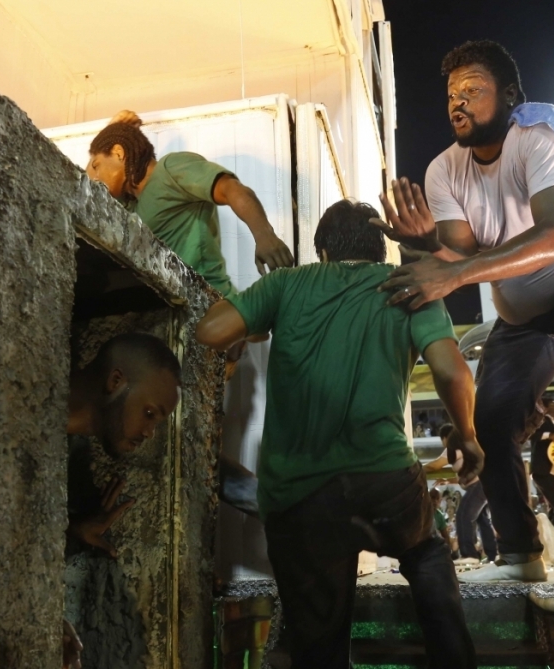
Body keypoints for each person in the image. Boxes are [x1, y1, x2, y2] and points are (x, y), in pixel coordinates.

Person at [372, 40, 554, 589]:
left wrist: (451, 271)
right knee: (489, 420)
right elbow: (459, 255)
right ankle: (520, 554)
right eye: (452, 93)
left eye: (474, 89)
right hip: (524, 311)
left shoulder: (539, 145)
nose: (459, 101)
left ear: (511, 96)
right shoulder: (443, 170)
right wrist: (423, 246)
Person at [196, 199, 483, 669]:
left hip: (299, 498)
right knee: (427, 554)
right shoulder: (407, 286)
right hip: (385, 481)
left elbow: (210, 330)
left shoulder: (285, 284)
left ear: (323, 252)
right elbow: (454, 373)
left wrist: (254, 324)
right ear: (380, 250)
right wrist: (467, 436)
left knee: (319, 644)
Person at [64, 332, 183, 667]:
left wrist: (74, 530)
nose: (149, 433)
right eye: (149, 413)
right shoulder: (30, 412)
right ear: (116, 381)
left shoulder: (72, 452)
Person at [86, 111, 294, 299]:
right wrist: (110, 129)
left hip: (206, 303)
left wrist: (265, 235)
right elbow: (84, 193)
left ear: (118, 153)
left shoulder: (170, 169)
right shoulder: (128, 205)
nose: (94, 176)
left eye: (96, 166)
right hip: (168, 307)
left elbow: (232, 189)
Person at [529, 401, 554, 531]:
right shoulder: (543, 421)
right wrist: (549, 435)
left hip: (552, 472)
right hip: (544, 470)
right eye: (552, 403)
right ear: (545, 408)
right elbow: (531, 434)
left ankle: (551, 540)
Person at [455, 482, 497, 563]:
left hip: (480, 482)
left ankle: (469, 554)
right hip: (483, 483)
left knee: (464, 515)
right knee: (482, 518)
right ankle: (492, 555)